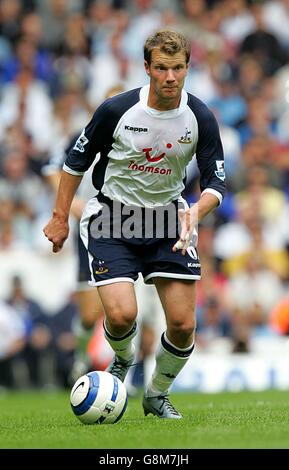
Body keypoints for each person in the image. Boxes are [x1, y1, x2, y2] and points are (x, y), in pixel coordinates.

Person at [44, 29, 226, 419]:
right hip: (113, 217)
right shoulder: (116, 110)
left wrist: (196, 211)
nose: (170, 77)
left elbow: (216, 182)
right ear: (146, 68)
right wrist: (60, 217)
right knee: (123, 315)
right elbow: (74, 163)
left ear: (188, 68)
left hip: (167, 219)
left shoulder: (201, 117)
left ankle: (156, 394)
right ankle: (124, 360)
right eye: (161, 68)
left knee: (181, 324)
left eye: (178, 68)